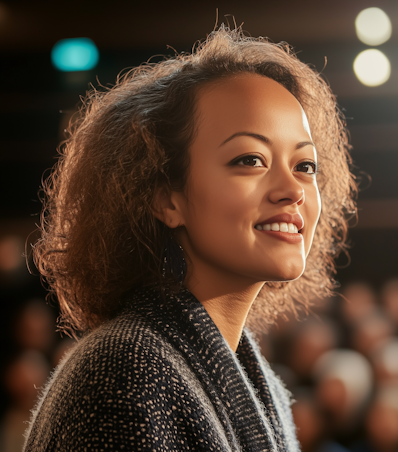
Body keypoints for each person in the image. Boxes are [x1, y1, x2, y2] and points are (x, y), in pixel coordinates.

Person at [24, 26, 356, 451]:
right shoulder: (125, 371)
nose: (292, 189)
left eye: (305, 165)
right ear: (165, 196)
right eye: (250, 159)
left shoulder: (265, 385)